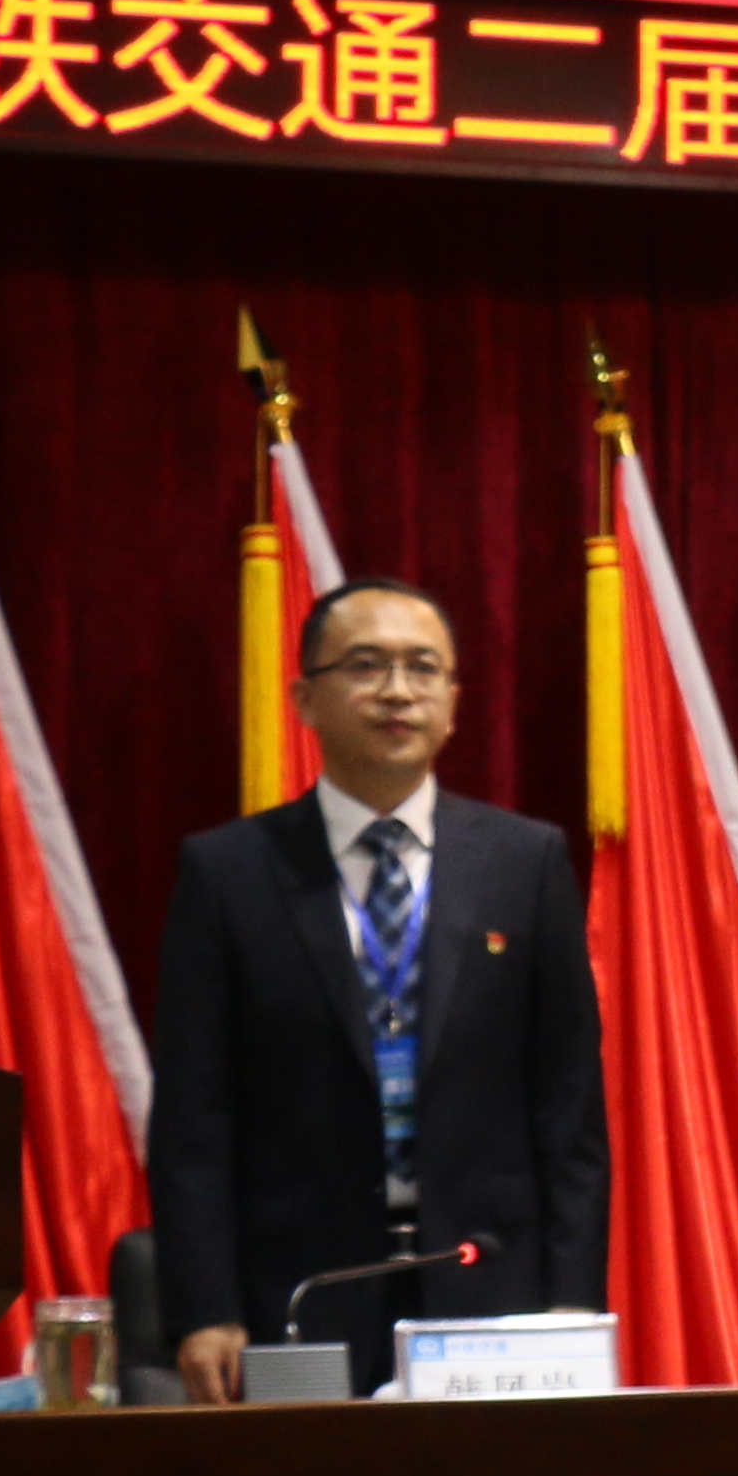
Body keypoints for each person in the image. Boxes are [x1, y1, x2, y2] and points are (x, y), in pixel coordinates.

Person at [145, 576, 607, 1403]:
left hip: (491, 1289)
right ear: (304, 699)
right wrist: (205, 1309)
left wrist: (573, 1304)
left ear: (453, 702)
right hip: (298, 1293)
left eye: (423, 668)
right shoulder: (228, 873)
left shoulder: (524, 863)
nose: (398, 691)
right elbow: (192, 1117)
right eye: (366, 665)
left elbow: (567, 1107)